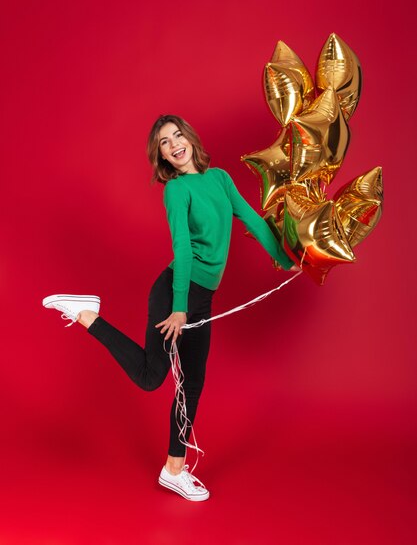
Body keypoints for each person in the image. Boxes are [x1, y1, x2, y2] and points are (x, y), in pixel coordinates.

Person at [42, 114, 294, 502]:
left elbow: (252, 220)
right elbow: (181, 248)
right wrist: (178, 308)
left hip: (201, 298)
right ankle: (86, 313)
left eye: (177, 135)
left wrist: (283, 258)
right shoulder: (176, 190)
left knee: (192, 383)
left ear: (190, 138)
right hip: (175, 293)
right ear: (160, 155)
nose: (174, 144)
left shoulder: (220, 179)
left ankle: (173, 470)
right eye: (164, 142)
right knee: (150, 376)